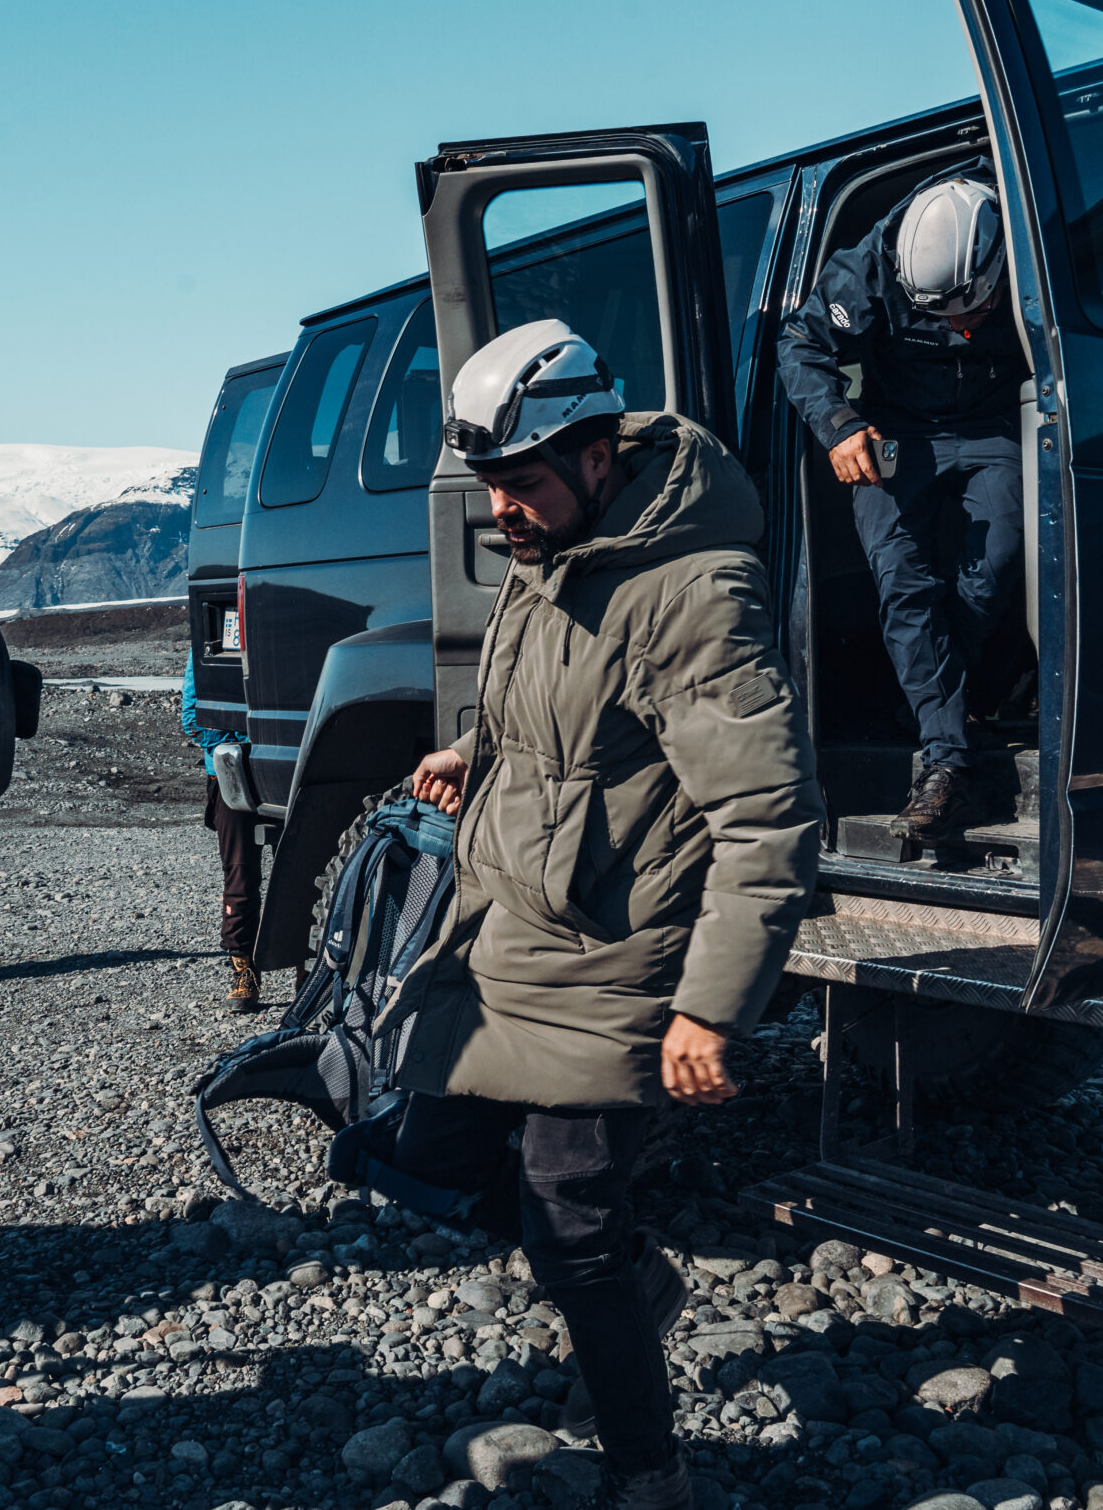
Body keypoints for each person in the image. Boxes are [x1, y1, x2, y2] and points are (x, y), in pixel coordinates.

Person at [392, 319, 823, 1510]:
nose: (500, 511)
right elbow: (575, 721)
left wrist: (709, 1009)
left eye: (519, 483)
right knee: (420, 1154)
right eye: (488, 486)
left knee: (567, 1207)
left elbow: (765, 821)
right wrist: (478, 752)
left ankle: (648, 1468)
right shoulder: (555, 558)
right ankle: (641, 1285)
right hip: (514, 931)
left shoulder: (690, 592)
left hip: (628, 952)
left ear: (596, 454)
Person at [778, 169, 1023, 839]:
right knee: (904, 583)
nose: (956, 327)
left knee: (995, 566)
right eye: (938, 313)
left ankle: (931, 702)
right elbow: (800, 345)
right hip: (898, 429)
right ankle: (949, 764)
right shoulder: (867, 267)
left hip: (996, 422)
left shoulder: (1030, 246)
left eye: (967, 311)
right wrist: (839, 425)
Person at [180, 645, 262, 1012]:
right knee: (240, 874)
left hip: (284, 771)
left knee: (305, 871)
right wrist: (244, 746)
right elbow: (193, 719)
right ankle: (243, 970)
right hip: (232, 774)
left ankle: (305, 970)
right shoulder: (209, 646)